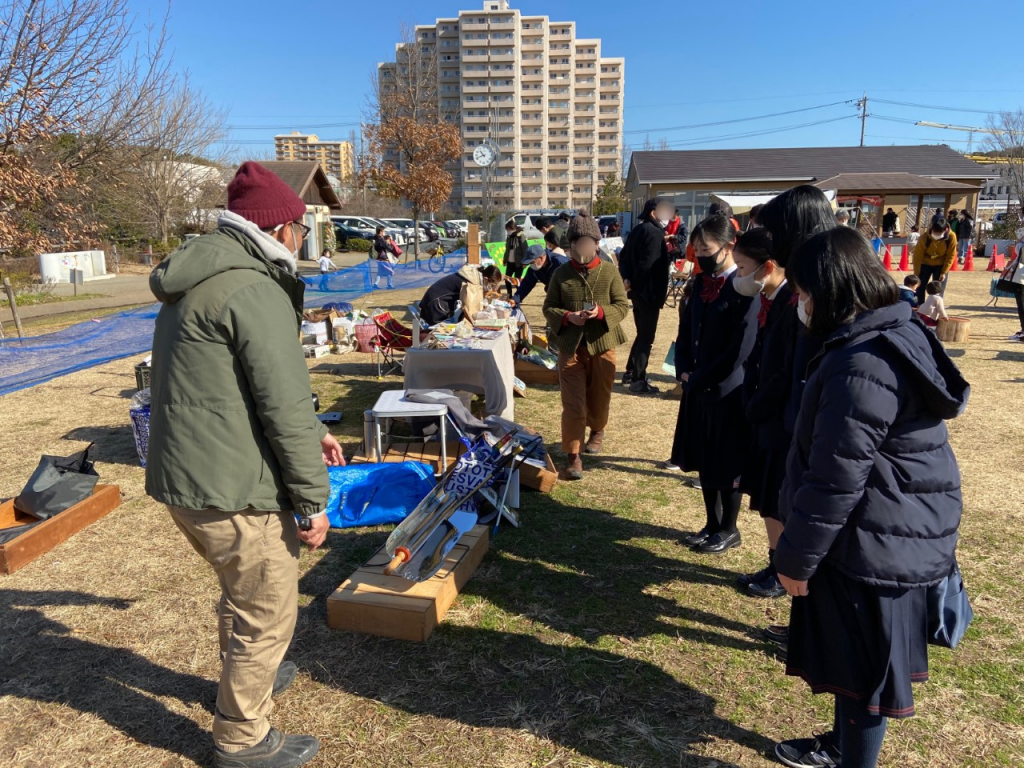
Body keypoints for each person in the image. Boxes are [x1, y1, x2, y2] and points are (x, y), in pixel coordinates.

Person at [146, 161, 345, 768]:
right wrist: (312, 501)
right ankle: (241, 738)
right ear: (281, 228)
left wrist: (314, 431)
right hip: (235, 485)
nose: (303, 237)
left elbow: (239, 385)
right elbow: (281, 403)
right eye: (302, 226)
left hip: (189, 479)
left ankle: (247, 680)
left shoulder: (199, 275)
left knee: (243, 594)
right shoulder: (253, 288)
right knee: (265, 608)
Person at [773, 225, 968, 768]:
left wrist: (794, 557)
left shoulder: (862, 364)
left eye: (805, 292)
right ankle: (840, 746)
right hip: (887, 529)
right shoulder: (892, 331)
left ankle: (851, 757)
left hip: (873, 542)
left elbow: (837, 479)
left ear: (832, 290)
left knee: (861, 680)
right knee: (854, 671)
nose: (801, 304)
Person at [755, 184, 841, 648]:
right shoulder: (799, 281)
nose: (769, 241)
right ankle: (803, 621)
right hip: (785, 419)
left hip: (802, 426)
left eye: (774, 231)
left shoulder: (822, 287)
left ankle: (811, 628)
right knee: (782, 509)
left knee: (809, 525)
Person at [669, 215, 758, 554]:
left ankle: (729, 528)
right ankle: (710, 522)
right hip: (697, 386)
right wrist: (683, 371)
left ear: (729, 247)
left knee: (727, 461)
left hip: (728, 390)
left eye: (707, 249)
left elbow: (740, 349)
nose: (701, 255)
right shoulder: (700, 284)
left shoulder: (745, 289)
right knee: (704, 457)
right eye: (697, 249)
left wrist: (703, 376)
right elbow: (685, 332)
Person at [733, 228, 799, 598]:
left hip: (777, 418)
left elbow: (783, 370)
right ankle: (776, 561)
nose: (738, 274)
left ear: (769, 266)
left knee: (778, 499)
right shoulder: (772, 299)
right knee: (767, 500)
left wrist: (757, 405)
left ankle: (783, 568)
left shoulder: (793, 302)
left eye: (742, 267)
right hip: (763, 415)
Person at [543, 210, 630, 480]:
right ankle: (574, 456)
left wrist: (601, 313)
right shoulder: (561, 273)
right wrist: (568, 317)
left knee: (599, 397)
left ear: (596, 244)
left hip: (602, 345)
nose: (581, 249)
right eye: (575, 244)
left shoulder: (609, 271)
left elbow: (622, 305)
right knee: (573, 404)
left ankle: (598, 428)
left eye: (586, 243)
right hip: (570, 348)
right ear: (570, 246)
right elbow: (549, 307)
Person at [619, 197, 673, 394]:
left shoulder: (638, 230)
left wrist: (627, 279)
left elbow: (623, 256)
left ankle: (630, 371)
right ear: (653, 213)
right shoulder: (654, 233)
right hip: (648, 292)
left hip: (637, 291)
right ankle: (638, 380)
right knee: (647, 337)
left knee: (642, 333)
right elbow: (647, 265)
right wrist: (635, 284)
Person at [419, 264, 503, 326]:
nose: (491, 289)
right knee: (438, 334)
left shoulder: (473, 275)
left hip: (436, 300)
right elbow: (468, 306)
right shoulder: (471, 282)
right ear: (485, 279)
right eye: (492, 285)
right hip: (435, 304)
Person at [912, 217, 957, 304]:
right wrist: (916, 274)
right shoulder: (924, 237)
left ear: (945, 230)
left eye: (938, 233)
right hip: (925, 264)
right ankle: (919, 307)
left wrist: (944, 272)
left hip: (941, 265)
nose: (936, 234)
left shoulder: (951, 237)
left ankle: (935, 308)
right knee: (919, 287)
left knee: (937, 289)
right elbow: (917, 256)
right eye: (934, 232)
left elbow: (950, 255)